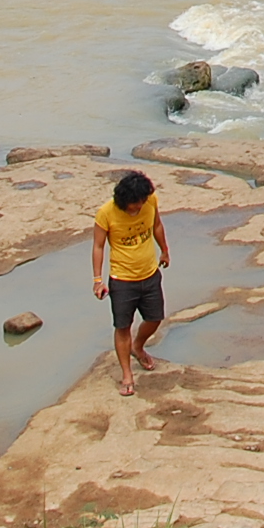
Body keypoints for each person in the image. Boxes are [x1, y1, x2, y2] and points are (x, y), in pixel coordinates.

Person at [92, 170, 170, 397]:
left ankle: (138, 346)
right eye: (135, 204)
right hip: (122, 279)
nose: (139, 208)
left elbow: (156, 225)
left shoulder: (150, 201)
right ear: (124, 200)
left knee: (155, 318)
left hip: (150, 273)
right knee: (122, 326)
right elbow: (98, 246)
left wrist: (164, 250)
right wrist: (98, 280)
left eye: (142, 203)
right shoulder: (106, 213)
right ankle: (127, 374)